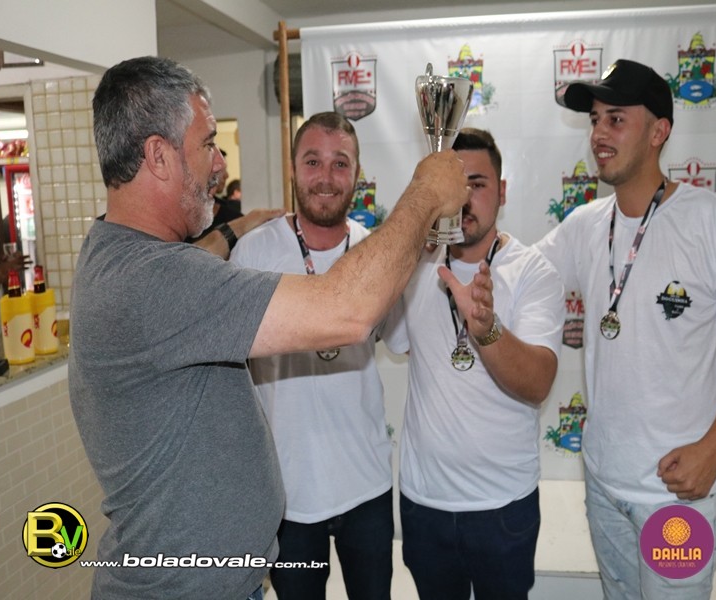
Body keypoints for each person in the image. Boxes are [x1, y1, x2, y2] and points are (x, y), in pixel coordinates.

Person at [69, 56, 471, 600]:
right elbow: (347, 309)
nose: (220, 163)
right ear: (159, 156)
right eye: (209, 144)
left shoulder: (129, 261)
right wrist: (425, 192)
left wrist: (232, 228)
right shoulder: (154, 280)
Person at [536, 58, 716, 599]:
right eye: (595, 119)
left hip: (679, 497)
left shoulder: (709, 221)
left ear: (658, 132)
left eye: (616, 119)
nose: (599, 134)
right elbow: (520, 276)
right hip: (605, 484)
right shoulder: (584, 225)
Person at [384, 128, 565, 599]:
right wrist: (409, 248)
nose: (464, 198)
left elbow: (537, 382)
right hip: (425, 504)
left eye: (478, 184)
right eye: (454, 185)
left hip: (502, 506)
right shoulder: (416, 267)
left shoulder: (533, 272)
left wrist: (486, 329)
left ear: (502, 191)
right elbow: (396, 341)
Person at [230, 112, 399, 600]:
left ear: (357, 174)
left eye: (340, 163)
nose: (326, 177)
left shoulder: (377, 256)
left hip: (366, 486)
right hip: (288, 495)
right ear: (292, 168)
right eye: (312, 162)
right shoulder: (254, 255)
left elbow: (399, 338)